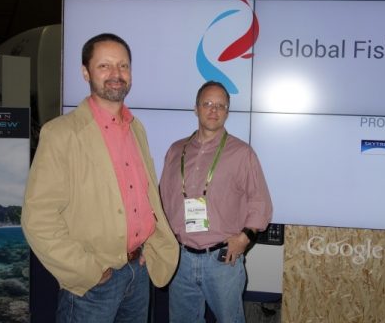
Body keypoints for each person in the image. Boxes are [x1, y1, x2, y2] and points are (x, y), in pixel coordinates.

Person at [22, 33, 179, 323]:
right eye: (104, 66)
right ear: (86, 72)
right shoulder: (61, 134)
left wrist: (150, 245)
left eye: (123, 66)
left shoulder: (136, 129)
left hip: (138, 270)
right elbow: (37, 219)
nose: (116, 74)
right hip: (94, 283)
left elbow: (145, 198)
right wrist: (88, 272)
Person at [160, 81, 273, 323]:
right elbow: (164, 198)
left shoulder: (242, 153)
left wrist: (244, 238)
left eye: (221, 106)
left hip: (222, 260)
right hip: (180, 259)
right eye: (208, 104)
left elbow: (260, 202)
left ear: (227, 112)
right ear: (196, 108)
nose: (214, 110)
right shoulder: (175, 150)